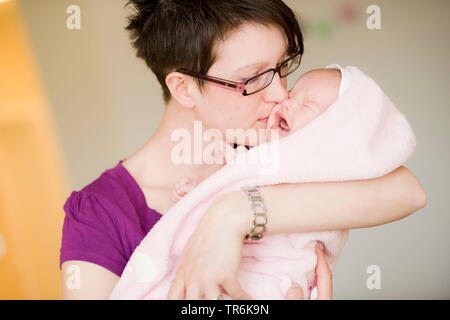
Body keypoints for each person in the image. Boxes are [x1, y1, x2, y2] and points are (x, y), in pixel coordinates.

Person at [60, 0, 427, 300]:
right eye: (252, 79)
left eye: (283, 66)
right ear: (185, 88)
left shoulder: (277, 151)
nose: (281, 94)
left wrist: (232, 215)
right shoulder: (100, 216)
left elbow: (408, 191)